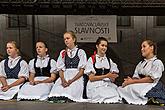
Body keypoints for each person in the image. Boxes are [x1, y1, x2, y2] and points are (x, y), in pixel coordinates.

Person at [118, 39, 164, 105]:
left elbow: (151, 79)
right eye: (141, 47)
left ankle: (144, 99)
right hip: (140, 83)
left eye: (144, 46)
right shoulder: (141, 63)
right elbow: (136, 77)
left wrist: (133, 82)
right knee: (123, 88)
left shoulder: (157, 62)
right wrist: (130, 80)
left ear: (151, 48)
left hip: (151, 84)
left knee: (132, 88)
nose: (142, 49)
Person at [48, 31, 87, 102]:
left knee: (70, 90)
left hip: (76, 76)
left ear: (74, 39)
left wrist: (71, 81)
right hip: (65, 75)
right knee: (58, 90)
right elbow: (60, 69)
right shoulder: (63, 52)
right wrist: (63, 80)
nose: (66, 40)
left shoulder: (81, 52)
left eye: (68, 38)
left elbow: (82, 71)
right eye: (64, 39)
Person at [85, 37, 121, 103]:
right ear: (97, 46)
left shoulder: (109, 60)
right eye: (102, 45)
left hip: (106, 84)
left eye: (106, 46)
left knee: (118, 92)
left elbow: (112, 79)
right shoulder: (92, 59)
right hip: (94, 85)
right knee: (104, 95)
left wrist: (112, 77)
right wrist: (106, 76)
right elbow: (91, 78)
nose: (104, 48)